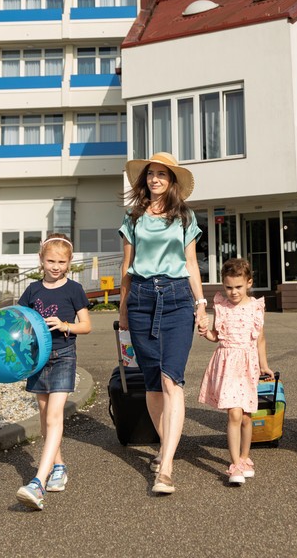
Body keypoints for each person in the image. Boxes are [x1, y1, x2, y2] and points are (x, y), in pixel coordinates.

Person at [118, 152, 206, 495]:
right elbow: (126, 267)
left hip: (177, 299)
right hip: (140, 299)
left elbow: (191, 264)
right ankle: (165, 444)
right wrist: (123, 309)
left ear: (171, 182)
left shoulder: (184, 216)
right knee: (153, 384)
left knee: (172, 379)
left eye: (162, 175)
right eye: (151, 174)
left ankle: (166, 466)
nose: (155, 179)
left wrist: (201, 305)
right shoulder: (133, 217)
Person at [15, 233, 92, 511]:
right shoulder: (33, 290)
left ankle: (38, 481)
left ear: (69, 262)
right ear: (41, 260)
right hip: (38, 360)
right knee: (45, 416)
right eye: (50, 261)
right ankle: (59, 466)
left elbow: (86, 326)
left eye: (61, 262)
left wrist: (65, 325)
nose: (56, 267)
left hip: (64, 357)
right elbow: (19, 321)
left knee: (55, 416)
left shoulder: (74, 289)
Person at [197, 257, 273, 486]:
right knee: (234, 414)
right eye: (228, 287)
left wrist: (264, 365)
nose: (233, 292)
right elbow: (216, 336)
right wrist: (205, 333)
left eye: (238, 287)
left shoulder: (256, 307)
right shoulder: (221, 306)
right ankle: (235, 464)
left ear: (249, 283)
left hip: (248, 365)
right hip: (227, 364)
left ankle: (244, 457)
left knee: (247, 417)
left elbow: (260, 339)